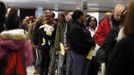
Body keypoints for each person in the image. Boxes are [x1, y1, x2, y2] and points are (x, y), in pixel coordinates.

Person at [0, 8, 33, 75]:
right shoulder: (25, 44)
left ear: (5, 26)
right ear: (19, 26)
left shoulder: (1, 42)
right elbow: (28, 62)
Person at [106, 1, 134, 75]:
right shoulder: (107, 23)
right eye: (117, 14)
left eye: (120, 15)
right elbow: (108, 44)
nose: (119, 17)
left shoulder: (126, 42)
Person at [68, 10, 95, 75]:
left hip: (85, 53)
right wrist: (91, 43)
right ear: (80, 17)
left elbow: (87, 37)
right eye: (83, 16)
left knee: (84, 72)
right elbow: (80, 42)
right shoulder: (75, 27)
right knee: (78, 72)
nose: (84, 17)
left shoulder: (82, 26)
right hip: (79, 53)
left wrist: (91, 41)